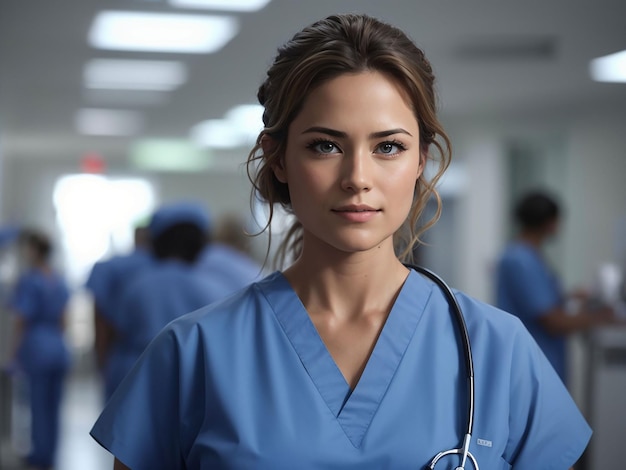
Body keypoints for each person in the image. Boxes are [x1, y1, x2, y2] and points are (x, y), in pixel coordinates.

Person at [91, 14, 591, 469]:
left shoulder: (497, 350)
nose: (357, 177)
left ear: (420, 161)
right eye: (325, 146)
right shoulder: (193, 353)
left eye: (388, 147)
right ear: (279, 158)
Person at [102, 201, 224, 398]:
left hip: (137, 379)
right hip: (189, 382)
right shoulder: (213, 289)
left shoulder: (136, 286)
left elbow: (115, 333)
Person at [495, 190, 618, 384]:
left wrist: (569, 297)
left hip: (538, 360)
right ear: (549, 222)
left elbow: (540, 299)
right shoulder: (521, 260)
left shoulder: (527, 255)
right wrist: (602, 317)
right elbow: (553, 321)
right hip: (533, 363)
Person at [8, 229, 71, 470]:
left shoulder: (30, 279)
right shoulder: (59, 279)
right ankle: (50, 454)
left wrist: (13, 352)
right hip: (57, 347)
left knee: (37, 404)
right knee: (54, 406)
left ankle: (39, 456)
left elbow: (21, 319)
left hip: (37, 346)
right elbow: (65, 320)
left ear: (34, 250)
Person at [85, 224, 153, 401]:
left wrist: (100, 359)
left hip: (124, 357)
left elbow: (100, 318)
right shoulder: (169, 269)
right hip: (162, 361)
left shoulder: (112, 267)